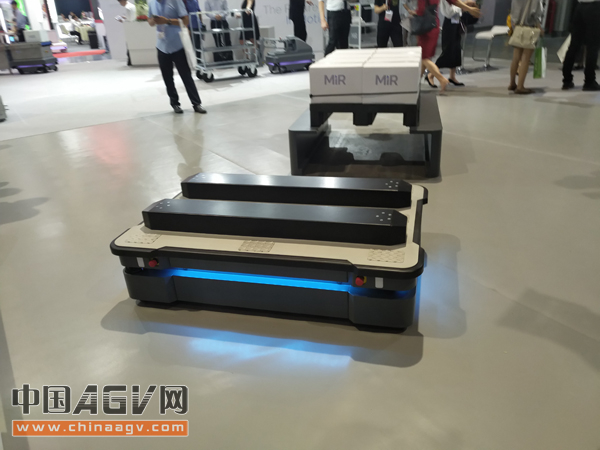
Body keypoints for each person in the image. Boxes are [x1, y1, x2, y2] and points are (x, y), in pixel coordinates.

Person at [148, 0, 206, 114]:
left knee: (186, 76)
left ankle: (196, 103)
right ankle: (175, 104)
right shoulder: (152, 3)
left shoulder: (175, 1)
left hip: (177, 45)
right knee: (167, 78)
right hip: (161, 46)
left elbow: (185, 20)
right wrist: (153, 21)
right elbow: (149, 21)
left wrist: (167, 21)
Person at [415, 0, 479, 93]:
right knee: (445, 52)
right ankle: (430, 76)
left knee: (455, 51)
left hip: (450, 23)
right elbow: (449, 12)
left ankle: (448, 77)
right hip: (445, 25)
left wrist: (466, 7)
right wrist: (466, 7)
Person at [561, 0, 600, 91]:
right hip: (595, 6)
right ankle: (589, 81)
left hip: (579, 6)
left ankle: (567, 80)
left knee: (574, 45)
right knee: (593, 46)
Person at [508, 0, 543, 94]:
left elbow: (513, 10)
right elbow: (535, 12)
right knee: (526, 58)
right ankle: (520, 86)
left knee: (516, 58)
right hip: (530, 27)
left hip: (518, 27)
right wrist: (539, 27)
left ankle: (512, 83)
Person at [428, 0, 465, 87]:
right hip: (449, 24)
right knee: (447, 52)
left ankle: (452, 76)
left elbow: (458, 9)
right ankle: (431, 74)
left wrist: (463, 6)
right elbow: (449, 12)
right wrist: (463, 6)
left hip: (456, 21)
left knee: (456, 50)